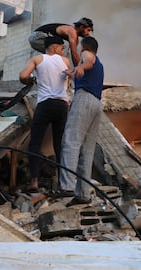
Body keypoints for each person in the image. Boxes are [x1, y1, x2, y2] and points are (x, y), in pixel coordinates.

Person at [19, 36, 71, 192]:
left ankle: (34, 181)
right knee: (59, 143)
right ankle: (63, 182)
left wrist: (30, 80)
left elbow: (23, 76)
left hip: (45, 104)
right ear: (55, 48)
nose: (63, 52)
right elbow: (67, 82)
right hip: (62, 104)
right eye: (62, 48)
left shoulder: (37, 59)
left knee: (35, 142)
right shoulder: (66, 62)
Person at [59, 36, 104, 207]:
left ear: (85, 47)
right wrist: (73, 72)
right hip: (96, 104)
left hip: (84, 99)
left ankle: (67, 186)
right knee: (87, 149)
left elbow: (88, 61)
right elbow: (89, 64)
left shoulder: (87, 55)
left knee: (71, 140)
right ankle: (83, 194)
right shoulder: (100, 64)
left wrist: (81, 67)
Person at [29, 17, 94, 66]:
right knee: (64, 45)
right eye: (88, 30)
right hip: (37, 37)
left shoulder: (75, 40)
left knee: (64, 53)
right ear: (82, 27)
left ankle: (52, 68)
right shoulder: (72, 31)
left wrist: (79, 69)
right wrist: (80, 68)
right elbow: (74, 53)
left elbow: (74, 56)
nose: (88, 33)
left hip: (40, 40)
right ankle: (58, 67)